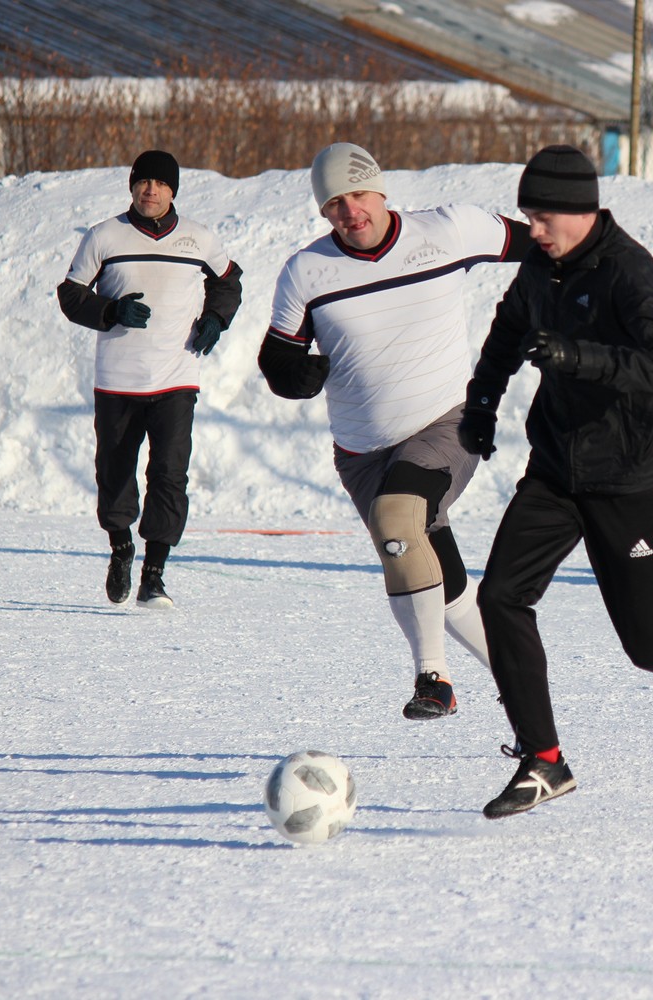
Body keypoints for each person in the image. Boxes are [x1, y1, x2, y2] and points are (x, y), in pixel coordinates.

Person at [458, 144, 653, 820]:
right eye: (528, 213)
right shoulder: (539, 265)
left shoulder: (629, 274)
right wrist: (481, 404)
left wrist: (579, 357)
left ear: (581, 210)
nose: (532, 227)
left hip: (629, 479)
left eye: (543, 214)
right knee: (500, 598)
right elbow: (507, 331)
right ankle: (544, 760)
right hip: (555, 470)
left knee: (648, 644)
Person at [259, 142, 532, 718]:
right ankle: (519, 683)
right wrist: (294, 374)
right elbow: (278, 357)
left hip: (447, 420)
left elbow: (546, 247)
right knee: (437, 572)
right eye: (333, 204)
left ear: (380, 190)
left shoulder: (449, 231)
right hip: (360, 451)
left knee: (398, 519)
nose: (349, 212)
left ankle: (433, 679)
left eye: (357, 194)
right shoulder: (306, 271)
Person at [57, 150, 243, 609]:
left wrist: (216, 319)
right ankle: (121, 547)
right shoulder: (104, 237)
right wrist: (110, 310)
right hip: (118, 380)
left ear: (173, 189)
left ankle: (154, 575)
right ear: (132, 186)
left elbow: (229, 281)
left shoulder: (198, 239)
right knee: (114, 472)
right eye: (143, 182)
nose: (151, 190)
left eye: (160, 183)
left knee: (169, 475)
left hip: (177, 376)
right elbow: (70, 294)